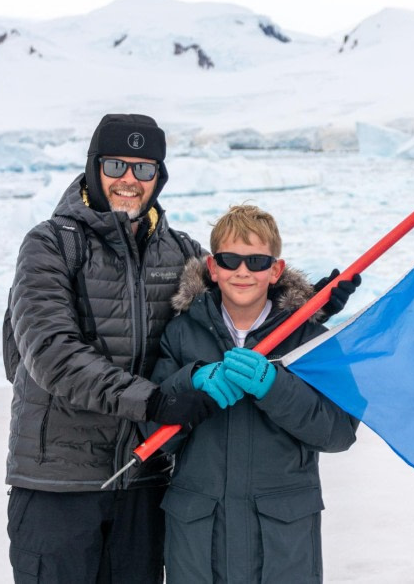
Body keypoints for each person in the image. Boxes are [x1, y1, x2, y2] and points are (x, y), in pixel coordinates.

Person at [5, 114, 359, 583]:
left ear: (160, 176)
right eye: (116, 165)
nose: (129, 180)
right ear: (94, 167)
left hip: (144, 480)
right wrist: (157, 400)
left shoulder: (177, 251)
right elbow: (51, 354)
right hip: (61, 479)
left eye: (144, 168)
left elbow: (231, 304)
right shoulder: (51, 245)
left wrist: (303, 306)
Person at [151, 204, 360, 583]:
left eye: (257, 261)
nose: (243, 272)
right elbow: (154, 433)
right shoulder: (182, 334)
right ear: (212, 268)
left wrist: (275, 387)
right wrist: (190, 385)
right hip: (199, 538)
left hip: (282, 542)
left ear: (275, 269)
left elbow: (339, 431)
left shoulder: (308, 340)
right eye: (230, 260)